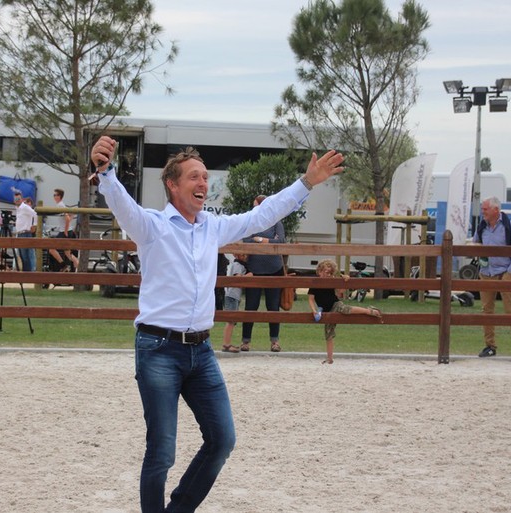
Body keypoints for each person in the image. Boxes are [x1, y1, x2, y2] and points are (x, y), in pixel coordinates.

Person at [91, 135, 344, 513]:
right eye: (194, 177)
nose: (203, 184)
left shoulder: (213, 227)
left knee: (223, 440)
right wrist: (106, 171)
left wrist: (306, 183)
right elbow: (122, 205)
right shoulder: (152, 226)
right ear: (172, 185)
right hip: (158, 350)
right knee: (162, 452)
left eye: (205, 177)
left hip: (201, 352)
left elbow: (263, 215)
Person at [472, 196, 511, 361]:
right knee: (487, 311)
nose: (483, 212)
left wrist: (510, 272)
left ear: (496, 209)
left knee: (510, 310)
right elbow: (476, 243)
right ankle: (490, 346)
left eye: (485, 209)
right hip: (486, 272)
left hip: (505, 272)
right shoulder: (482, 226)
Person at [307, 259, 382, 364]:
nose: (328, 275)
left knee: (345, 309)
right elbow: (311, 299)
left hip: (335, 304)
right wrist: (314, 310)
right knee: (328, 333)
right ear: (319, 271)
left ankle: (368, 311)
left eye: (331, 273)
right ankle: (329, 357)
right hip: (326, 310)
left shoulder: (332, 280)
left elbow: (340, 291)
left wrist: (345, 280)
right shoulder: (314, 283)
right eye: (326, 272)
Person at [240, 194, 285, 353]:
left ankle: (275, 341)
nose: (254, 208)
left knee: (273, 307)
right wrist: (267, 241)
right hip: (254, 269)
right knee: (251, 307)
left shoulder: (276, 221)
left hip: (274, 270)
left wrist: (259, 239)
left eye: (256, 205)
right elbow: (246, 240)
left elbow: (280, 242)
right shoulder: (251, 221)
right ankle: (246, 341)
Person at [221, 253, 251, 353]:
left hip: (234, 295)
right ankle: (226, 344)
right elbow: (238, 278)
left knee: (232, 321)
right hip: (232, 295)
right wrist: (249, 275)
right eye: (244, 255)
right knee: (230, 321)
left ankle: (227, 343)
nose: (246, 256)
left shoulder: (238, 264)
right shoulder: (238, 265)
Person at [48, 188, 79, 271]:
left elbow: (68, 219)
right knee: (67, 253)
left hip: (64, 232)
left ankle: (63, 265)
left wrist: (65, 231)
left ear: (60, 196)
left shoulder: (60, 205)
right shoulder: (62, 205)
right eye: (54, 195)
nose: (54, 196)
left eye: (56, 195)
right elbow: (71, 215)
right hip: (68, 230)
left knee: (51, 249)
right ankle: (78, 267)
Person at [13, 192, 36, 272]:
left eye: (18, 199)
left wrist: (34, 225)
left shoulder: (25, 207)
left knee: (27, 255)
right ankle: (26, 273)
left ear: (21, 199)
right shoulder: (18, 209)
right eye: (15, 199)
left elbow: (35, 214)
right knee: (22, 255)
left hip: (25, 233)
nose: (17, 200)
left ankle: (29, 272)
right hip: (20, 233)